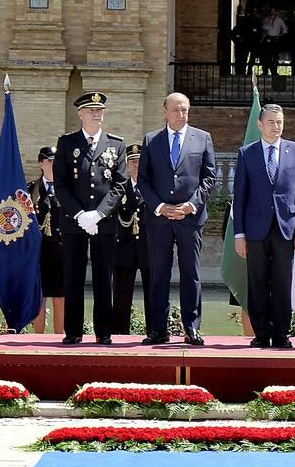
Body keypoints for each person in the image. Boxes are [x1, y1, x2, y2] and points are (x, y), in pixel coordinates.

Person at [138, 92, 217, 345]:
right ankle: (158, 329)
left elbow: (209, 178)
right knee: (159, 273)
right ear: (165, 111)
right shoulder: (151, 140)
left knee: (190, 273)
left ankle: (191, 327)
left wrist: (191, 205)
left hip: (189, 218)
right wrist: (160, 207)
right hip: (160, 219)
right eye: (176, 110)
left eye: (185, 110)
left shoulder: (202, 138)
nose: (181, 114)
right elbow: (143, 180)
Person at [233, 104, 295, 349]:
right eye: (271, 122)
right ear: (260, 124)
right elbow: (240, 196)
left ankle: (281, 334)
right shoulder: (247, 153)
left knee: (281, 282)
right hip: (255, 230)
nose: (276, 126)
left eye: (279, 122)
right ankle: (260, 334)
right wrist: (239, 234)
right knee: (256, 283)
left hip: (286, 228)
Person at [53, 91, 126, 346]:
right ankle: (73, 331)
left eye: (100, 110)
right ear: (80, 114)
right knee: (73, 276)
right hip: (74, 222)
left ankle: (104, 331)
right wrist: (80, 214)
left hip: (103, 223)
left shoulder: (116, 144)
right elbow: (60, 185)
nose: (97, 114)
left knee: (103, 277)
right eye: (91, 110)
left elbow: (120, 185)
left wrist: (99, 213)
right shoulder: (67, 143)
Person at [111, 142, 148, 336]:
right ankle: (119, 333)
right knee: (121, 294)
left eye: (140, 161)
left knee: (152, 293)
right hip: (123, 248)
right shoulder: (119, 188)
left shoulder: (152, 186)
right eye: (132, 161)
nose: (136, 165)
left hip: (148, 247)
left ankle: (154, 332)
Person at [29, 146, 65, 336]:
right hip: (39, 252)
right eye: (49, 160)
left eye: (56, 160)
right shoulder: (31, 189)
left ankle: (60, 339)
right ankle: (38, 339)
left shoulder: (66, 189)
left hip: (61, 251)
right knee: (39, 297)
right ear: (40, 163)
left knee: (60, 298)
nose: (53, 164)